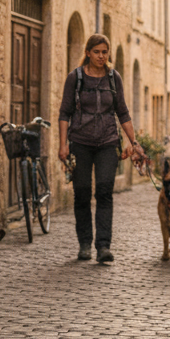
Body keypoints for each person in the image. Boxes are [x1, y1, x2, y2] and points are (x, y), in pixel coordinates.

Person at [58, 33, 142, 263]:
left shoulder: (114, 78)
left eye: (105, 52)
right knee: (82, 193)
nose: (101, 56)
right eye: (96, 52)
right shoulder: (75, 78)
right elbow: (64, 113)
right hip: (80, 142)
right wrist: (63, 144)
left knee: (104, 192)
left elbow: (122, 111)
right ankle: (85, 244)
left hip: (107, 142)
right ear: (88, 53)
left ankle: (103, 246)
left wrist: (132, 141)